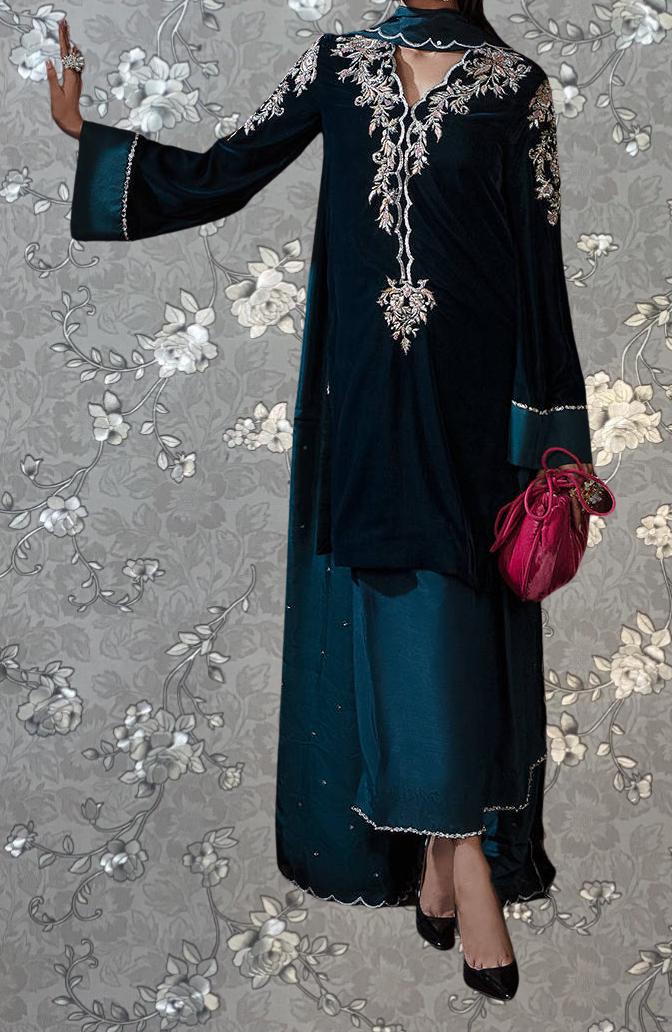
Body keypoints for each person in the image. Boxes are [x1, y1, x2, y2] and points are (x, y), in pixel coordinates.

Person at [47, 0, 595, 1003]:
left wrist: (551, 430)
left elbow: (539, 258)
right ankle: (461, 864)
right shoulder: (340, 66)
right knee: (401, 606)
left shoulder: (515, 87)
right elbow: (230, 165)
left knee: (462, 621)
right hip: (372, 394)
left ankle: (446, 862)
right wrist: (90, 134)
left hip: (476, 404)